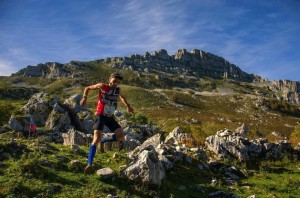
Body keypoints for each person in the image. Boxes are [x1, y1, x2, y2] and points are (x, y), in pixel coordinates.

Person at [80, 72, 134, 174]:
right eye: (114, 81)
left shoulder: (118, 90)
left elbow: (122, 97)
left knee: (121, 136)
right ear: (110, 79)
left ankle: (104, 141)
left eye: (118, 82)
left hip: (110, 117)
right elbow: (87, 88)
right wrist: (84, 98)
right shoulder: (102, 86)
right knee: (96, 139)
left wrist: (128, 106)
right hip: (100, 115)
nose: (115, 83)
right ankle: (89, 164)